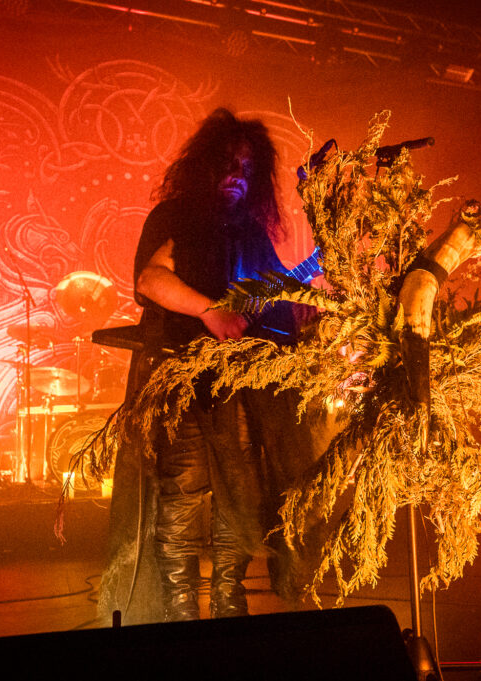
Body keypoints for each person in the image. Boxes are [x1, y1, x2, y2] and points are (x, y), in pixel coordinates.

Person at [131, 108, 299, 621]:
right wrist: (209, 311)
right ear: (206, 165)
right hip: (183, 381)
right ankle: (180, 612)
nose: (237, 176)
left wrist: (305, 304)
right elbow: (149, 280)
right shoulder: (175, 217)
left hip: (242, 387)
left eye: (247, 169)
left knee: (240, 495)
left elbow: (277, 299)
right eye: (228, 165)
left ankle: (231, 601)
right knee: (183, 491)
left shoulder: (250, 233)